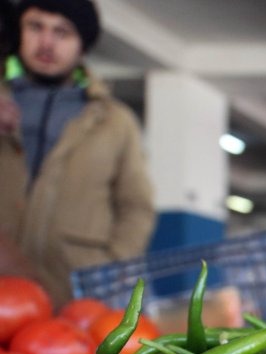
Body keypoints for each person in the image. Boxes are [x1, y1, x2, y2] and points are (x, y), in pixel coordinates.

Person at [0, 0, 154, 306]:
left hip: (76, 296)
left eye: (62, 32)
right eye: (35, 27)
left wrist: (112, 267)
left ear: (81, 44)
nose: (46, 42)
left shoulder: (114, 121)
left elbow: (136, 206)